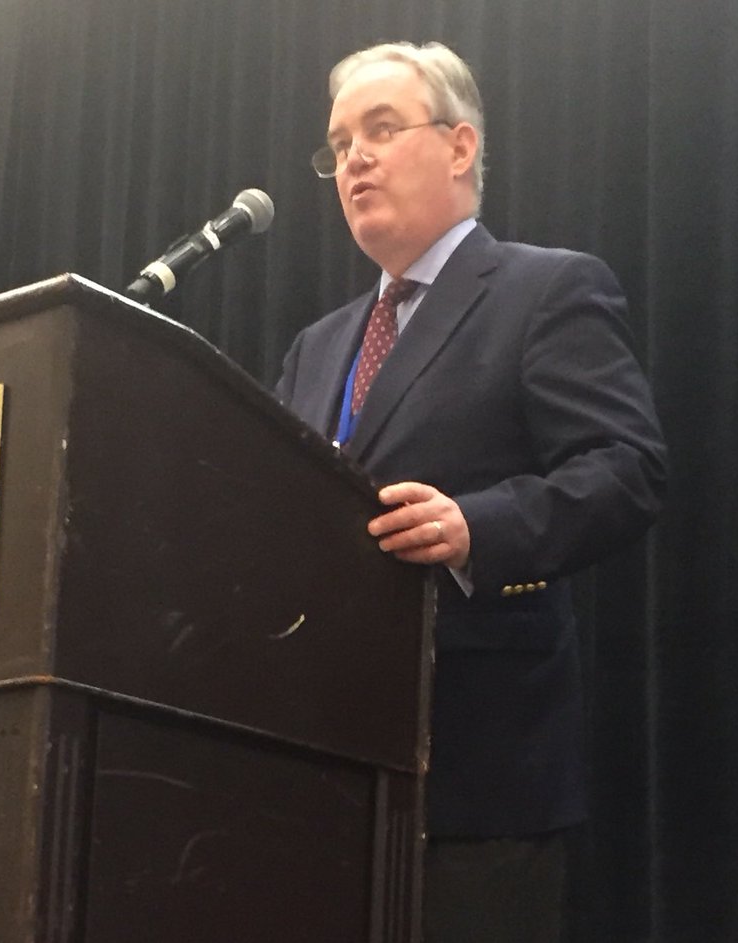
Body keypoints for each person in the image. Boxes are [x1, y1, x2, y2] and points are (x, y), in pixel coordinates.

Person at [275, 41, 667, 942]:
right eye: (340, 144)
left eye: (381, 129)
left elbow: (627, 466)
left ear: (460, 146)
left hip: (480, 778)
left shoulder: (545, 290)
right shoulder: (317, 347)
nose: (355, 159)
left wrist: (476, 527)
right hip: (322, 772)